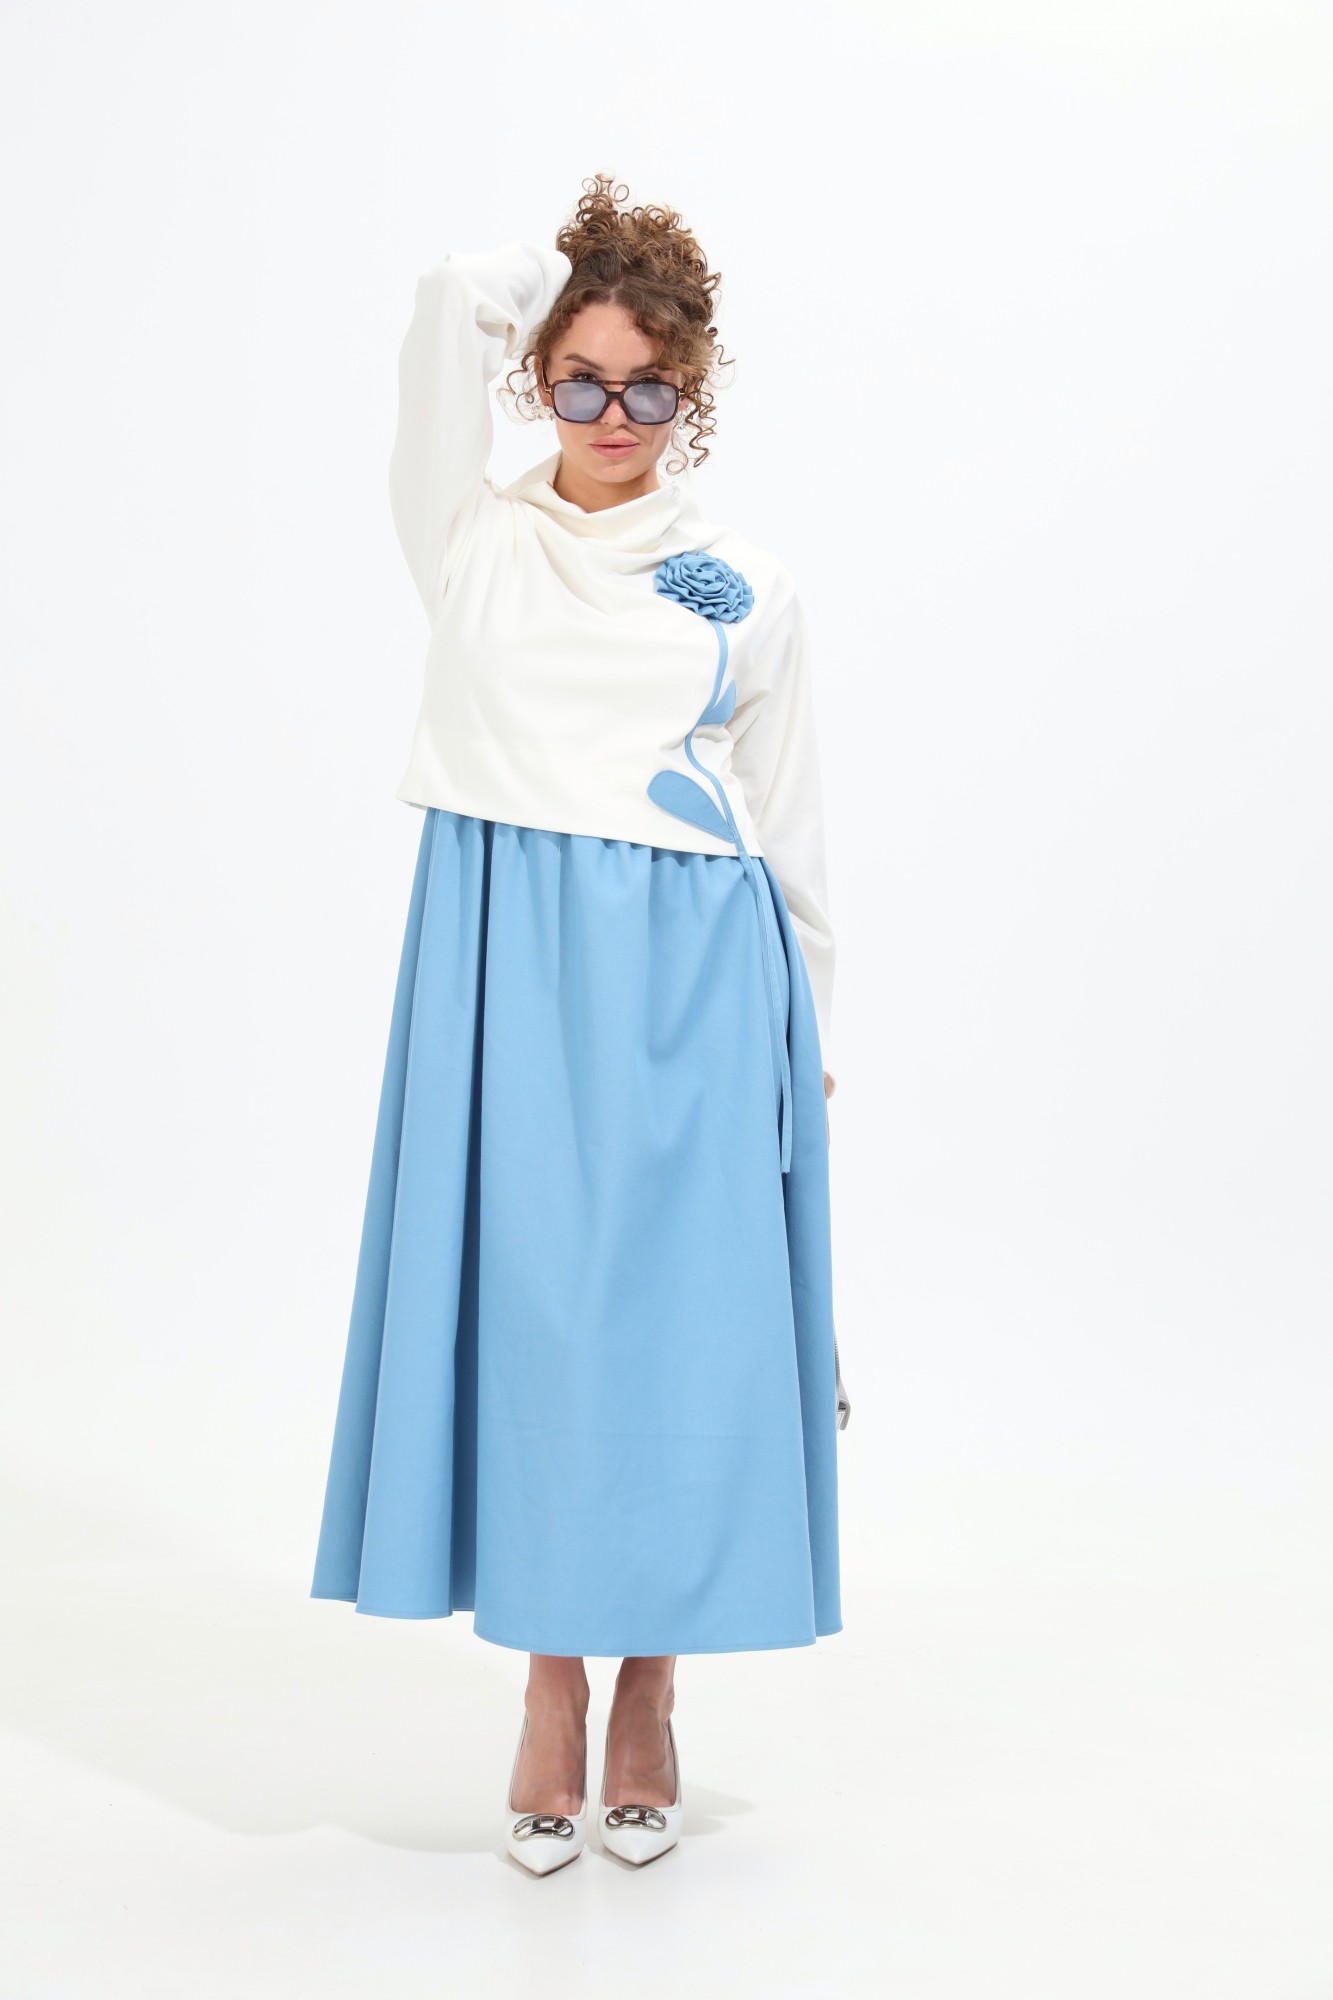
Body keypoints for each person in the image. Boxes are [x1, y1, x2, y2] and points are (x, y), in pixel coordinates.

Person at [309, 172, 849, 1874]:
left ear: (694, 394)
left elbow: (788, 817)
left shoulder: (740, 581)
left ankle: (651, 1696)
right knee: (540, 1325)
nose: (613, 418)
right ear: (534, 378)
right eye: (579, 380)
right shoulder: (473, 538)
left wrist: (811, 1042)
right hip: (510, 974)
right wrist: (567, 267)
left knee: (680, 1337)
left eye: (649, 388)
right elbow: (439, 307)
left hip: (699, 980)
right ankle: (550, 1688)